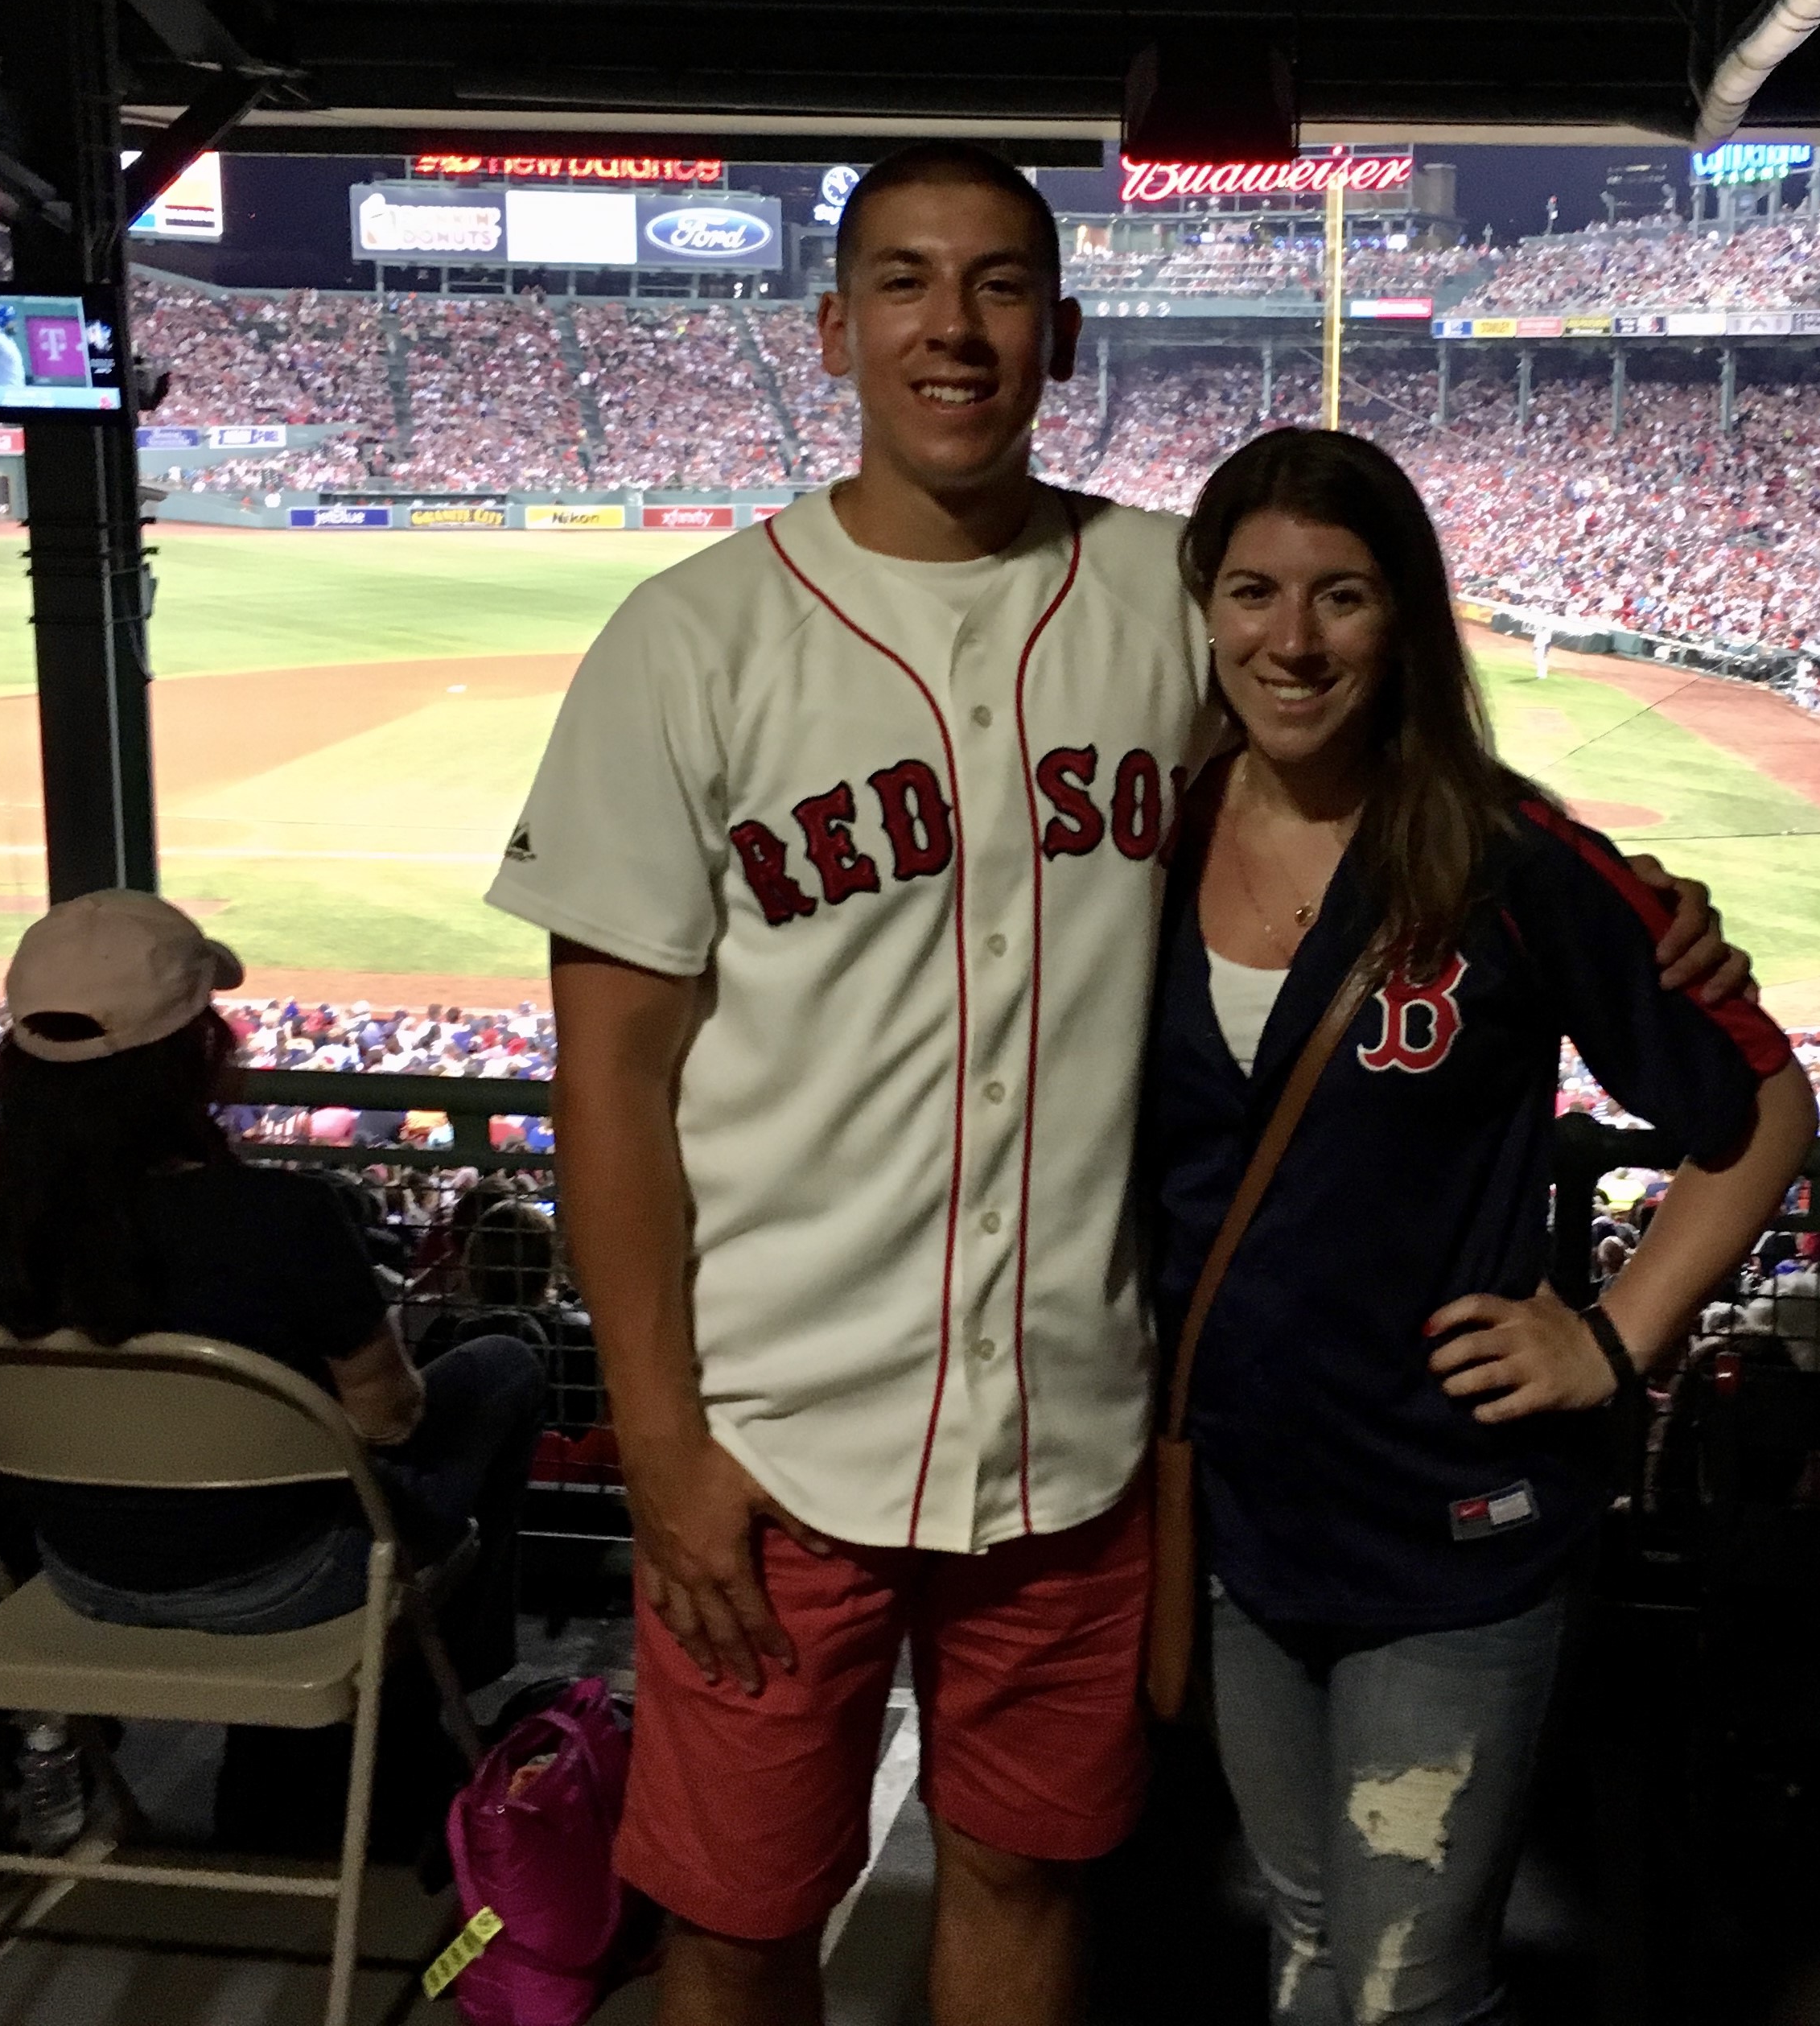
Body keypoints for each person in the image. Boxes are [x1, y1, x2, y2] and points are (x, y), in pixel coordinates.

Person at [484, 143, 1754, 2026]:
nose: (953, 327)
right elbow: (608, 1081)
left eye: (1000, 285)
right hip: (774, 1435)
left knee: (1026, 1875)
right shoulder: (686, 642)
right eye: (905, 281)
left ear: (1063, 334)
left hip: (1073, 1442)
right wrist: (661, 1445)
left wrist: (1627, 904)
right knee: (736, 1924)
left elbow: (1366, 735)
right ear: (830, 330)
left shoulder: (1167, 593)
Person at [1143, 429, 1816, 2026]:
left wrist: (1612, 1338)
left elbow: (1759, 1104)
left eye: (1341, 595)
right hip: (1229, 1518)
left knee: (1409, 1986)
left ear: (1404, 618)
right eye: (1252, 591)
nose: (1291, 640)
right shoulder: (1139, 840)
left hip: (1448, 1523)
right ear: (1204, 607)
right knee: (1307, 1938)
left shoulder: (1507, 857)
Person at [0, 892, 547, 1680]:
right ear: (195, 1055)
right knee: (508, 1360)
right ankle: (462, 1678)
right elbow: (389, 1421)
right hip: (296, 1580)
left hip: (78, 1570)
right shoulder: (281, 1214)